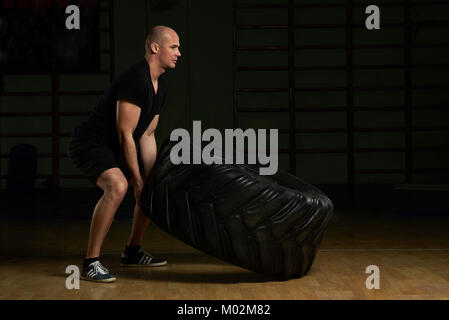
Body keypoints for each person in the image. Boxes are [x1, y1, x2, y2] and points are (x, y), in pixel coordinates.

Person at [67, 25, 181, 283]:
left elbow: (147, 135)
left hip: (118, 145)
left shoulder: (159, 86)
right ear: (155, 48)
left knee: (149, 186)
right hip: (91, 143)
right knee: (118, 186)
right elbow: (125, 133)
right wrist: (136, 180)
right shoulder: (135, 78)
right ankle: (90, 263)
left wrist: (148, 180)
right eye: (173, 47)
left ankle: (132, 251)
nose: (179, 53)